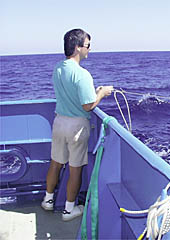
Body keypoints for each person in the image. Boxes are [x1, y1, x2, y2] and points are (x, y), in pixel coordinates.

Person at [41, 28, 113, 221]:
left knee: (55, 163)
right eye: (88, 45)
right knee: (75, 169)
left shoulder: (58, 67)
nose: (89, 49)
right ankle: (68, 210)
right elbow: (88, 105)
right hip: (76, 127)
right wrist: (102, 93)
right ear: (78, 47)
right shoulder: (82, 74)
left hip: (59, 123)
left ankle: (47, 200)